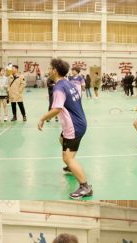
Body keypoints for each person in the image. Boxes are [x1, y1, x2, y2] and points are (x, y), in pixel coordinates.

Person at [37, 58, 93, 200]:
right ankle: (71, 165)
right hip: (79, 122)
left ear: (55, 70)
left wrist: (42, 118)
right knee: (62, 139)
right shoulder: (69, 83)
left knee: (67, 158)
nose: (48, 71)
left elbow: (57, 109)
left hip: (73, 126)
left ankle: (85, 187)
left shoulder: (59, 87)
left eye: (50, 68)